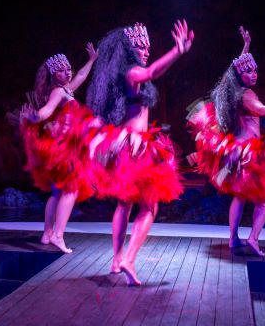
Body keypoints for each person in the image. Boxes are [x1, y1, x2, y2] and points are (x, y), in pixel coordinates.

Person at [86, 20, 194, 285]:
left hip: (128, 146)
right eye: (140, 46)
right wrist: (177, 51)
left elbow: (155, 71)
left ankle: (116, 259)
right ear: (128, 49)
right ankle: (129, 259)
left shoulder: (125, 75)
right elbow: (153, 71)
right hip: (135, 148)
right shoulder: (133, 72)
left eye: (148, 47)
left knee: (125, 204)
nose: (146, 50)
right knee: (150, 206)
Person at [188, 27, 265, 256]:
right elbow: (261, 109)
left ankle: (233, 239)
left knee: (239, 197)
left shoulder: (234, 93)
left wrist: (246, 45)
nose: (254, 74)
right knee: (263, 202)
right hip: (248, 154)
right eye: (249, 72)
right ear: (240, 76)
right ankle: (253, 239)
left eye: (255, 70)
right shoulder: (247, 95)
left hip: (236, 152)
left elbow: (235, 69)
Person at [21, 42, 99, 253]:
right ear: (53, 75)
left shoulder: (65, 90)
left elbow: (80, 77)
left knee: (57, 193)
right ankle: (58, 235)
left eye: (68, 69)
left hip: (59, 147)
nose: (68, 72)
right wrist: (35, 117)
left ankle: (47, 233)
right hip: (65, 150)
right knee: (71, 190)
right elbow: (46, 111)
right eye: (62, 70)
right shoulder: (58, 92)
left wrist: (91, 60)